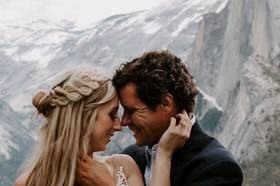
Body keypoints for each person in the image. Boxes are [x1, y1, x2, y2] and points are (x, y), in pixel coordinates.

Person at [77, 50, 244, 186]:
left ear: (166, 103)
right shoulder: (131, 158)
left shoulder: (217, 167)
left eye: (131, 111)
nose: (124, 122)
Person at [13, 69, 192, 186]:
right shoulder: (28, 183)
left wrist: (163, 154)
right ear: (83, 119)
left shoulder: (124, 167)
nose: (119, 124)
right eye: (112, 114)